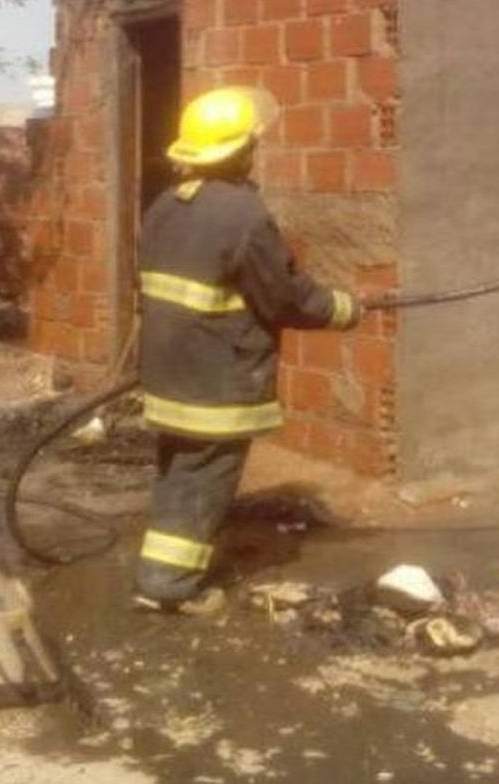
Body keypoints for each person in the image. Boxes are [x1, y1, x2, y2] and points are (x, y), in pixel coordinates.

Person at [133, 86, 361, 615]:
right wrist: (346, 309)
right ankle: (166, 584)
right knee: (204, 478)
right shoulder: (245, 216)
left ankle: (159, 571)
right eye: (252, 146)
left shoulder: (165, 206)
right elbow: (284, 298)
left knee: (178, 471)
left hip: (168, 372)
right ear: (239, 152)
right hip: (217, 378)